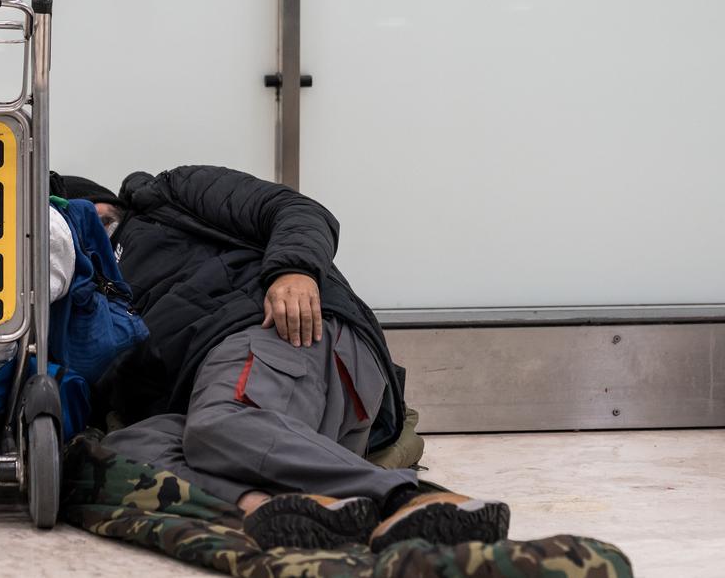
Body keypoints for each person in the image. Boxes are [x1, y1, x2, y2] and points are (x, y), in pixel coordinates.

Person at [53, 166, 510, 552]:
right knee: (123, 447)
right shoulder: (82, 301)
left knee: (221, 422)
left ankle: (411, 500)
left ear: (98, 205)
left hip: (281, 330)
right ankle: (273, 506)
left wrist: (293, 270)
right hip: (266, 424)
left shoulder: (168, 197)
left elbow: (297, 210)